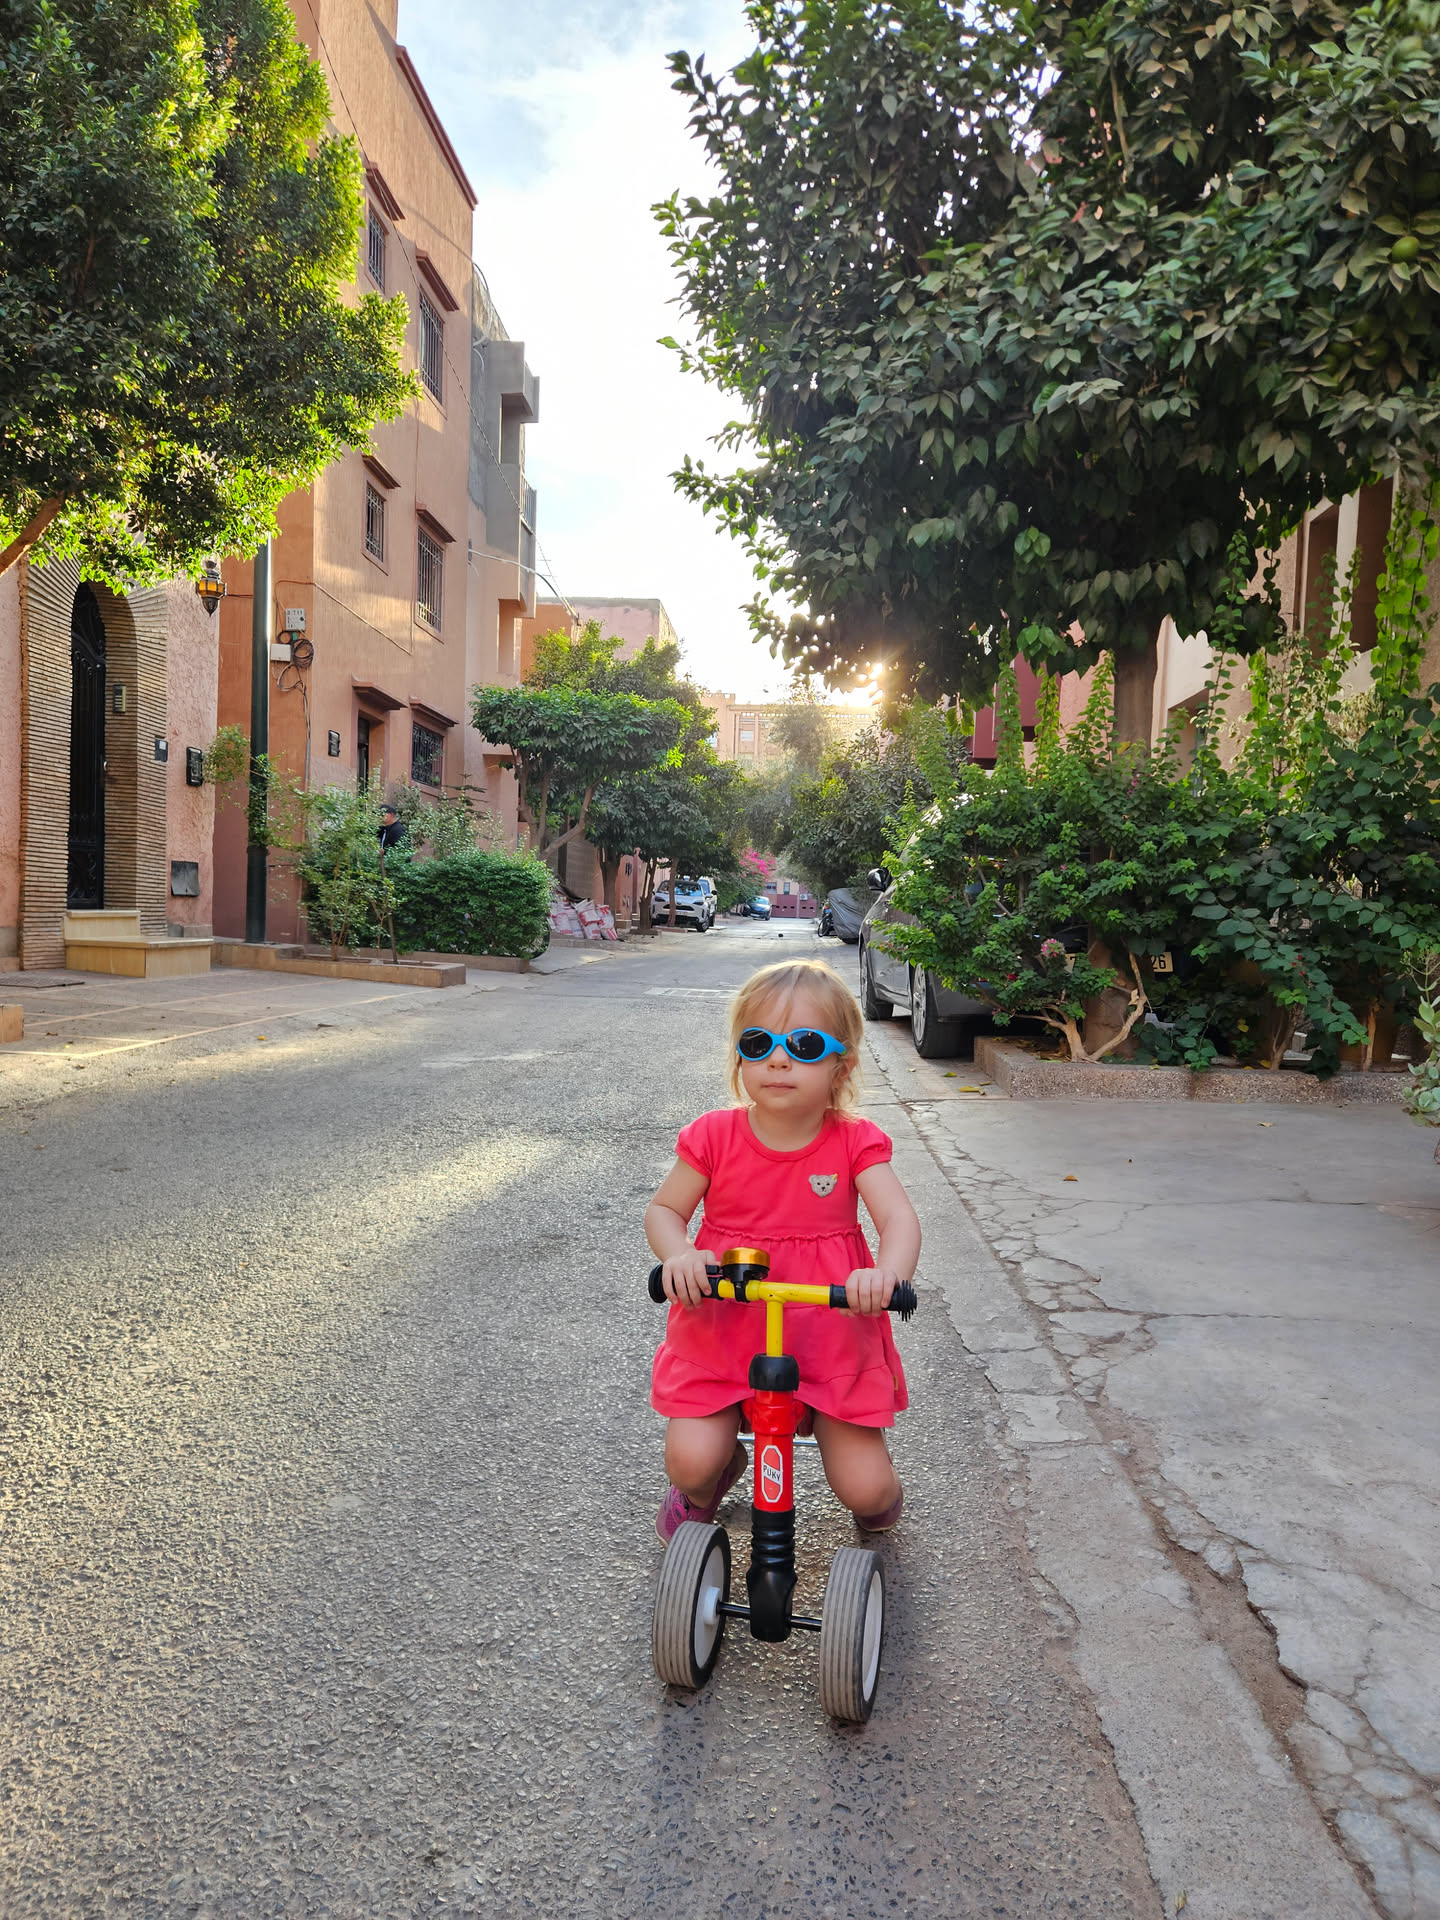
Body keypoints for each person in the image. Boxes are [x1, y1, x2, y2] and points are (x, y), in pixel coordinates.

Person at [646, 957, 921, 1545]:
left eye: (804, 1045)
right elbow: (665, 1210)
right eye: (758, 1043)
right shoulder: (714, 1136)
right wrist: (679, 1255)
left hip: (829, 1330)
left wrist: (886, 1275)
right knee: (691, 1463)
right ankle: (711, 1477)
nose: (777, 1059)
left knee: (869, 1493)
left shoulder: (853, 1142)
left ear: (841, 1065)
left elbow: (898, 1218)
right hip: (724, 1327)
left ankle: (871, 1479)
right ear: (740, 1057)